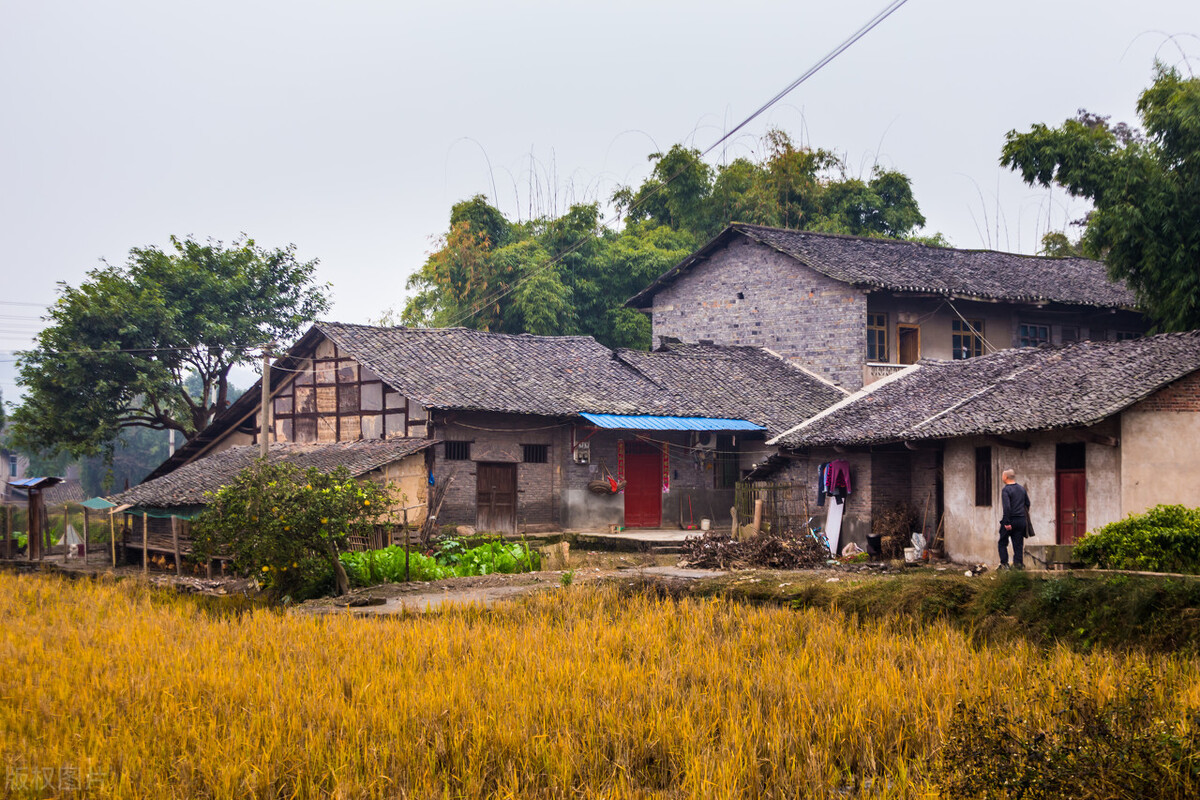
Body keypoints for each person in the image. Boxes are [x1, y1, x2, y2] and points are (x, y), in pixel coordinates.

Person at [999, 468, 1030, 569]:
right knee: (1018, 544)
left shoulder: (1006, 490)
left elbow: (1007, 507)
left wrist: (1007, 522)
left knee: (1002, 542)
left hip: (1010, 520)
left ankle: (1004, 564)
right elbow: (1027, 503)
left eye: (1002, 475)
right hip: (1021, 520)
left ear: (1006, 477)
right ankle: (1018, 565)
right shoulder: (1022, 489)